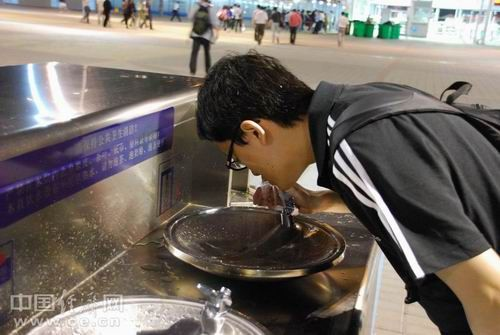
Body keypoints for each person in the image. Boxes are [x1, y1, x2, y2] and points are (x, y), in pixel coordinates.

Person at [195, 52, 500, 335]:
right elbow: (422, 195)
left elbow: (490, 294)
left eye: (237, 158)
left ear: (254, 132)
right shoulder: (359, 106)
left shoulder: (359, 146)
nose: (252, 171)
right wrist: (323, 201)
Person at [188, 0, 219, 75]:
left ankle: (192, 70)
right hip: (207, 35)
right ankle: (207, 70)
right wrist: (216, 31)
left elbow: (190, 17)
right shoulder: (211, 7)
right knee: (207, 53)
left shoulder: (196, 6)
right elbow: (214, 22)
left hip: (196, 33)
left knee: (194, 52)